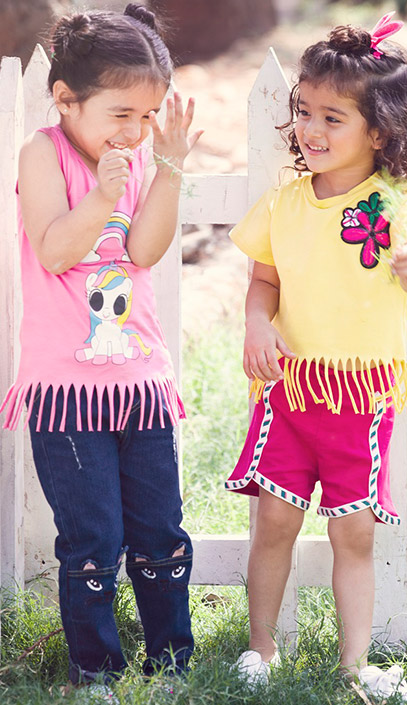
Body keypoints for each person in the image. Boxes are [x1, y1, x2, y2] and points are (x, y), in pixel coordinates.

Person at [225, 11, 407, 700]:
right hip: (290, 392)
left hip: (358, 395)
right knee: (274, 521)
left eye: (332, 118)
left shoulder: (395, 200)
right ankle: (260, 648)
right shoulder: (285, 205)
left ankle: (356, 666)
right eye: (303, 112)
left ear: (377, 131)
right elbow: (263, 283)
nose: (310, 131)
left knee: (354, 534)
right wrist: (257, 326)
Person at [0, 2, 202, 691]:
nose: (137, 130)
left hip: (140, 380)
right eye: (122, 114)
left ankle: (171, 663)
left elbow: (143, 249)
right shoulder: (42, 152)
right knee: (92, 542)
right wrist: (102, 199)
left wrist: (167, 166)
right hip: (67, 393)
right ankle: (96, 671)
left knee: (161, 535)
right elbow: (56, 250)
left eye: (148, 117)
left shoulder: (142, 156)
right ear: (65, 99)